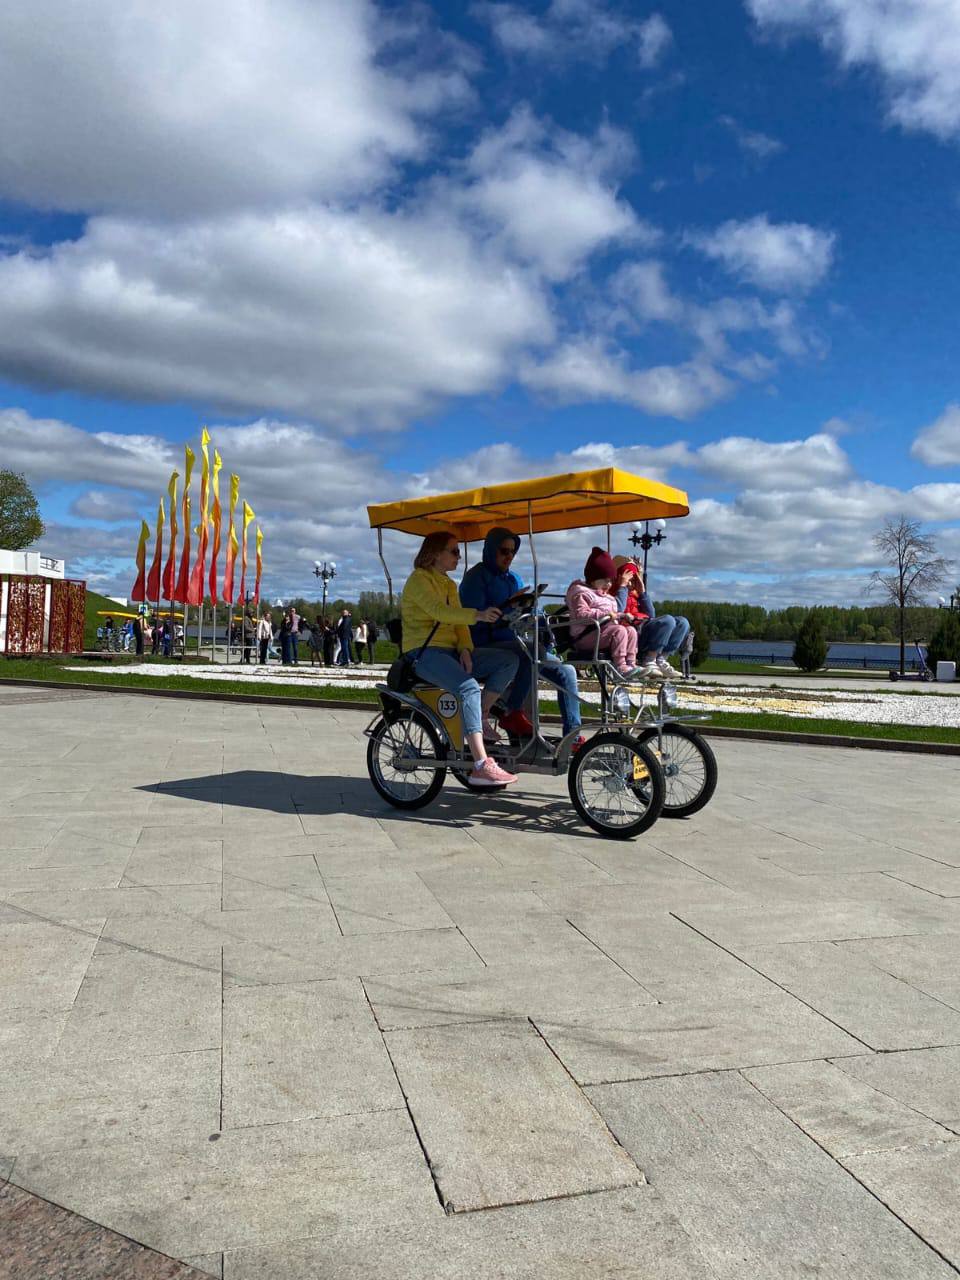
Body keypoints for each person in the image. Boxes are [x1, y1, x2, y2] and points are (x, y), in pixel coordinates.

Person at [401, 531, 520, 787]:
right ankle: (481, 765)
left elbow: (459, 626)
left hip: (451, 651)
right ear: (435, 553)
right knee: (467, 687)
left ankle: (481, 714)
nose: (459, 556)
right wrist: (477, 615)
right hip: (424, 651)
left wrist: (466, 649)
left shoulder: (449, 584)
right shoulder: (418, 580)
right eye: (454, 551)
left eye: (459, 551)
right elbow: (439, 612)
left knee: (509, 660)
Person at [460, 526, 584, 748]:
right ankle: (512, 711)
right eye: (503, 551)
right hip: (485, 644)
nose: (509, 556)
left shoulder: (514, 578)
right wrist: (507, 608)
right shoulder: (475, 578)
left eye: (512, 552)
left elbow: (527, 612)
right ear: (490, 550)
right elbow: (472, 618)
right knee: (529, 653)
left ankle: (572, 737)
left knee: (567, 671)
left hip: (515, 641)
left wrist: (534, 612)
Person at [565, 548, 644, 678]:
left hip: (601, 633)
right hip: (585, 635)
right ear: (593, 578)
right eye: (605, 580)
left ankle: (631, 663)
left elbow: (612, 614)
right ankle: (620, 666)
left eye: (611, 580)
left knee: (630, 630)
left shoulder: (606, 597)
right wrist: (606, 613)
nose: (609, 584)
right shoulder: (581, 594)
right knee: (619, 631)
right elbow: (581, 615)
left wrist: (623, 615)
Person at [613, 557, 690, 678]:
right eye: (628, 580)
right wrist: (622, 587)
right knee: (668, 620)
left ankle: (661, 659)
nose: (630, 584)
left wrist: (642, 592)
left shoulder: (636, 595)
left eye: (633, 581)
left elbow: (651, 615)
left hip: (644, 626)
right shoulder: (616, 593)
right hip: (633, 631)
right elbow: (618, 610)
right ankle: (649, 660)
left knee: (682, 622)